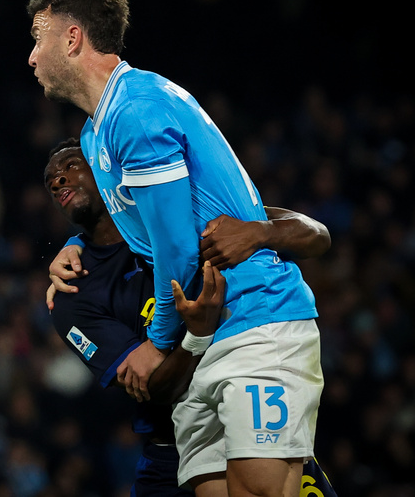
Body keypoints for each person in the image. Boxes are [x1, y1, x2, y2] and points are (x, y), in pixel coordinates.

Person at [26, 0, 323, 496]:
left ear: (71, 39)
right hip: (204, 344)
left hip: (253, 324)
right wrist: (73, 248)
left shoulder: (137, 111)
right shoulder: (98, 130)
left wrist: (164, 344)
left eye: (37, 37)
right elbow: (140, 227)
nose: (31, 57)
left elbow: (178, 252)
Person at [42, 138, 337, 497]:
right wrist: (196, 336)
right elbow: (153, 389)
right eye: (50, 179)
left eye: (71, 165)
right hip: (177, 452)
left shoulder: (183, 214)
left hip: (253, 414)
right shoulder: (74, 292)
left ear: (104, 168)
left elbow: (318, 236)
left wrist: (261, 232)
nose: (58, 180)